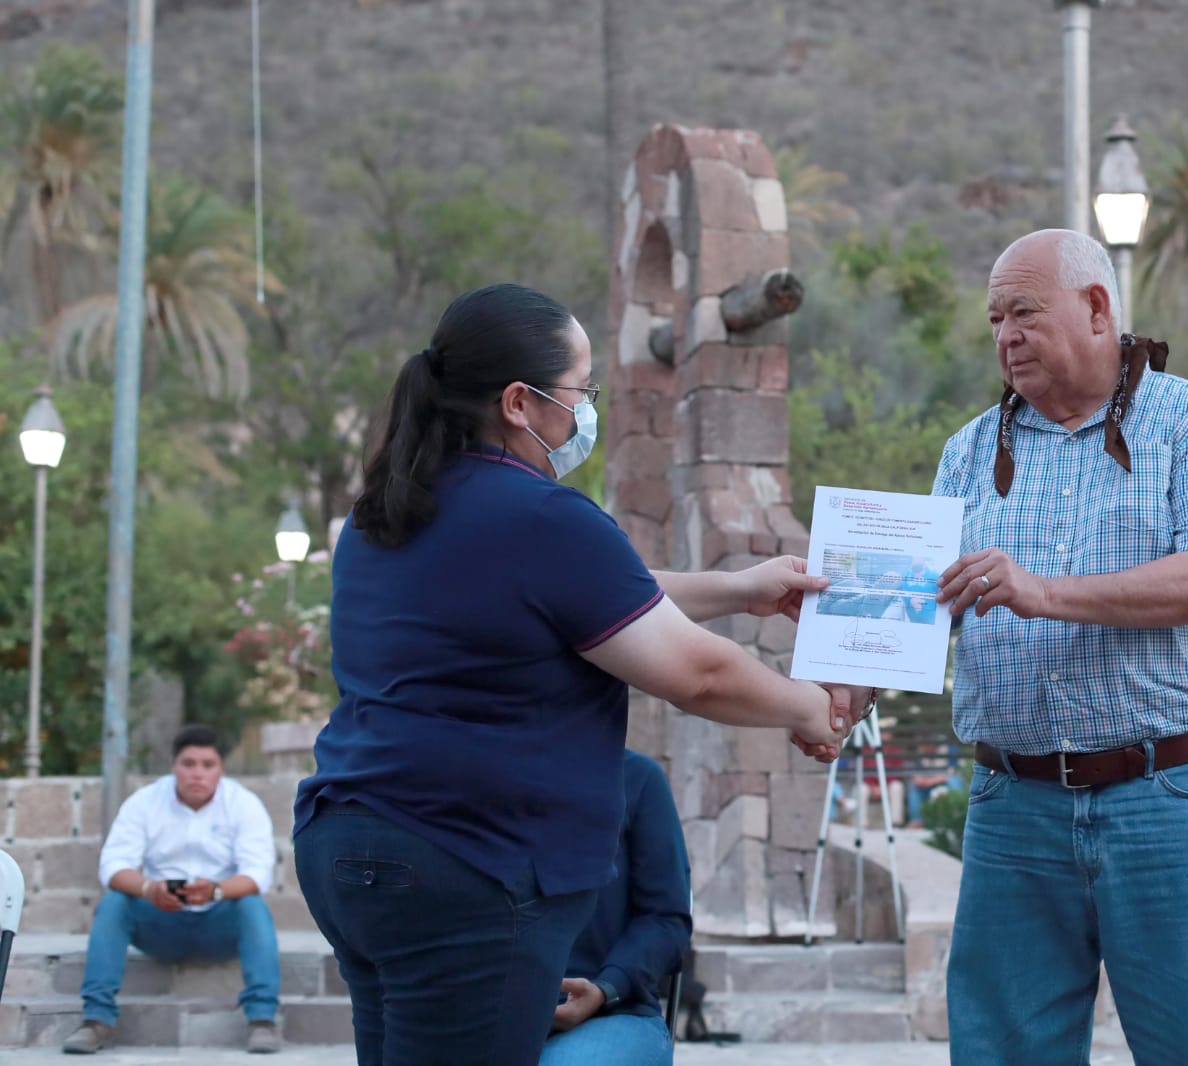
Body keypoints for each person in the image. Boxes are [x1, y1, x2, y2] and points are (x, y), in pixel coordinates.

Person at [292, 283, 862, 1066]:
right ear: (520, 403)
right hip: (470, 862)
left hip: (351, 846)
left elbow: (586, 596)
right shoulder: (541, 517)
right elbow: (694, 673)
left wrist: (737, 590)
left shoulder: (389, 512)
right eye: (581, 391)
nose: (586, 411)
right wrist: (805, 706)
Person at [932, 229, 1188, 1065]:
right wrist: (846, 680)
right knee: (1000, 1054)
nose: (1005, 335)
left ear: (1097, 308)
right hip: (1012, 806)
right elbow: (921, 600)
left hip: (1167, 798)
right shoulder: (968, 451)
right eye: (996, 318)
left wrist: (1043, 595)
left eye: (1025, 313)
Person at [64, 725, 281, 1055]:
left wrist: (216, 891)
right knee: (114, 903)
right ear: (173, 765)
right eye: (188, 763)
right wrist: (149, 888)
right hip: (159, 922)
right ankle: (96, 1021)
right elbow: (113, 866)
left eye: (207, 765)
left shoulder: (243, 804)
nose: (197, 773)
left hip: (219, 924)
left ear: (220, 768)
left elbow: (257, 873)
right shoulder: (145, 802)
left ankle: (263, 1020)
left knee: (252, 903)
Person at [540, 750, 691, 1066]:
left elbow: (665, 918)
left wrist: (606, 988)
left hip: (609, 1012)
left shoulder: (637, 777)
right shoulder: (469, 774)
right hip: (479, 1013)